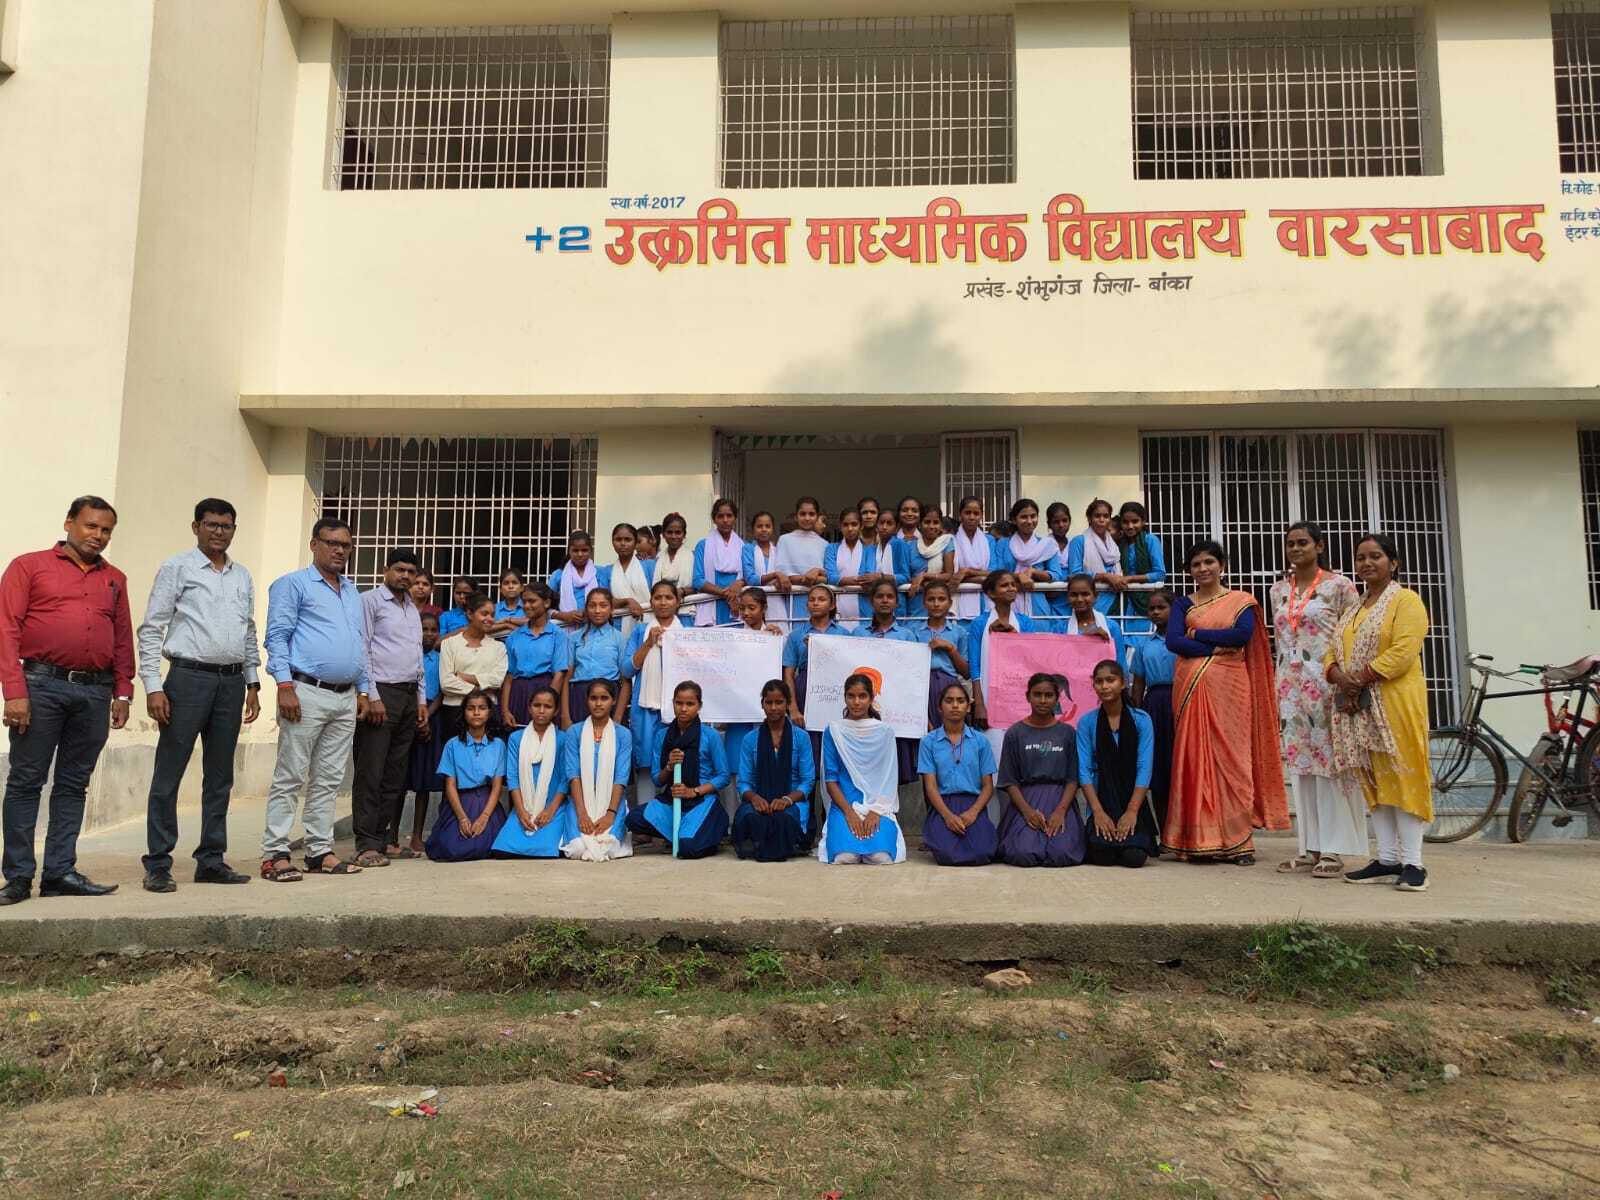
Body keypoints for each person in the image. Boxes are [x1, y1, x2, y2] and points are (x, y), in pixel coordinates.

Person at [0, 496, 133, 903]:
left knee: (74, 784)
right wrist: (14, 692)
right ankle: (18, 876)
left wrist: (123, 691)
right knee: (26, 781)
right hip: (41, 686)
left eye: (106, 530)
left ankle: (59, 872)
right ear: (69, 523)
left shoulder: (115, 579)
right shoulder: (29, 566)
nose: (98, 536)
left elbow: (122, 638)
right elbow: (6, 629)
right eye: (91, 526)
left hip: (94, 692)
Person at [136, 498, 260, 892]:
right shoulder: (178, 568)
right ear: (196, 527)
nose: (219, 532)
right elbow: (152, 628)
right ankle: (158, 863)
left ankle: (211, 860)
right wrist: (153, 686)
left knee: (220, 777)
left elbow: (248, 630)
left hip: (231, 682)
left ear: (234, 530)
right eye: (211, 524)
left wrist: (252, 682)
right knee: (169, 774)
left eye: (226, 526)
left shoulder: (242, 576)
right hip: (187, 679)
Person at [1163, 540, 1289, 865]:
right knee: (1195, 759)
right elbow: (1173, 641)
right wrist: (1217, 648)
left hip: (1232, 689)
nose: (1203, 569)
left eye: (1209, 562)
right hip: (1191, 688)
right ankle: (1199, 841)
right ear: (1189, 571)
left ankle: (1238, 842)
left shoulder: (1241, 602)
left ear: (1222, 565)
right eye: (1196, 564)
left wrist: (1197, 636)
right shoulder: (1183, 604)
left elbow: (1241, 636)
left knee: (1234, 760)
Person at [260, 517, 369, 881]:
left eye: (345, 545)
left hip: (344, 696)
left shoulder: (351, 591)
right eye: (331, 543)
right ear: (314, 545)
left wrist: (364, 690)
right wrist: (284, 685)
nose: (339, 550)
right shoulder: (293, 585)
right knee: (290, 775)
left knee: (329, 779)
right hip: (304, 691)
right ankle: (275, 853)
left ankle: (319, 851)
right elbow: (277, 637)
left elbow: (359, 644)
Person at [1328, 534, 1433, 893]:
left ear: (1394, 563)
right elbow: (1332, 652)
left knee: (1404, 777)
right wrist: (1339, 676)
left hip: (1395, 703)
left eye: (1375, 556)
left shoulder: (1406, 600)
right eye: (1361, 557)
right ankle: (1387, 859)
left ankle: (1414, 864)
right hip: (1358, 707)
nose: (1367, 563)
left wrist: (1359, 677)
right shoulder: (1354, 608)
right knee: (1373, 781)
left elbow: (1404, 650)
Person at [1271, 522, 1366, 879]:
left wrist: (1349, 682)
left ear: (1319, 546)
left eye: (1303, 542)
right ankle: (1309, 848)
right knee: (1301, 768)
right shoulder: (1278, 589)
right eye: (1290, 544)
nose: (1296, 549)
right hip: (1290, 687)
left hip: (1327, 684)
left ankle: (1333, 849)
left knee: (1330, 765)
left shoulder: (1340, 586)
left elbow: (1353, 635)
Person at [351, 549, 428, 869]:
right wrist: (369, 694)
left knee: (395, 773)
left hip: (408, 695)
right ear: (386, 570)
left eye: (411, 571)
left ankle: (384, 839)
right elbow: (363, 648)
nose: (405, 576)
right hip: (381, 693)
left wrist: (421, 700)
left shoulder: (411, 607)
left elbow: (417, 656)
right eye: (399, 569)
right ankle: (365, 844)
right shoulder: (370, 601)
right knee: (371, 770)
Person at [626, 681, 730, 857]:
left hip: (701, 799)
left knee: (688, 848)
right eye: (679, 703)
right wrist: (669, 766)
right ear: (672, 703)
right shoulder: (662, 735)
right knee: (633, 819)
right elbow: (657, 780)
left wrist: (693, 791)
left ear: (699, 706)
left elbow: (723, 776)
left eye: (690, 704)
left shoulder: (709, 735)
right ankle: (687, 833)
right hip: (672, 799)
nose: (683, 709)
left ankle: (694, 835)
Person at [996, 674, 1085, 867]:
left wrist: (1061, 811)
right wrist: (1027, 812)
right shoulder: (1015, 733)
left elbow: (1073, 778)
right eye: (1037, 695)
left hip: (1060, 800)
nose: (1043, 700)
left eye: (1049, 695)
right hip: (1026, 800)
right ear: (1028, 696)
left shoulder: (1068, 733)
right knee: (1023, 853)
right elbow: (1009, 780)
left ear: (1057, 698)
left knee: (1062, 854)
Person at [818, 673, 906, 864]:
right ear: (844, 698)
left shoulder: (885, 732)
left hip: (878, 805)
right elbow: (831, 780)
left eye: (862, 696)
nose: (856, 702)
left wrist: (876, 811)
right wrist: (849, 813)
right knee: (845, 857)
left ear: (872, 698)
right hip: (844, 804)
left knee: (881, 857)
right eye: (851, 696)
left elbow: (889, 779)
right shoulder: (834, 730)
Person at [1077, 659, 1158, 868]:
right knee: (1102, 856)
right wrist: (1098, 812)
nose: (1104, 686)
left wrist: (1131, 812)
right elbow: (1084, 771)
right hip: (1101, 800)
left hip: (1132, 800)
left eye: (1110, 680)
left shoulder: (1142, 720)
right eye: (1099, 681)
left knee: (1133, 857)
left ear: (1123, 683)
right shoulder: (1087, 722)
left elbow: (1144, 768)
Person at [624, 580, 695, 804]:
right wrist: (648, 644)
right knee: (646, 763)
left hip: (679, 710)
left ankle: (670, 814)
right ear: (651, 602)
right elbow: (626, 669)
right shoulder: (640, 631)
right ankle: (645, 815)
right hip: (646, 709)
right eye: (658, 597)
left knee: (676, 762)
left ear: (677, 602)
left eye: (668, 597)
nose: (663, 602)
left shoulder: (687, 632)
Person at [733, 679, 817, 861]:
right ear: (762, 704)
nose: (773, 707)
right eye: (768, 702)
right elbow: (744, 782)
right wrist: (755, 798)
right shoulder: (750, 739)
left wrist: (787, 799)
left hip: (792, 803)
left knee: (783, 820)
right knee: (750, 818)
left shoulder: (801, 737)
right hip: (760, 802)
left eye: (779, 702)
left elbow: (808, 780)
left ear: (787, 703)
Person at [918, 683, 998, 866]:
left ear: (968, 707)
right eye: (949, 701)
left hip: (973, 804)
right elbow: (930, 787)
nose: (955, 705)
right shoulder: (928, 742)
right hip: (942, 805)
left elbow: (987, 786)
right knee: (946, 854)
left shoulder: (980, 741)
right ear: (940, 707)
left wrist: (973, 812)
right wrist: (947, 816)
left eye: (961, 701)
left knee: (983, 852)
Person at [424, 690, 508, 862]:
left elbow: (497, 786)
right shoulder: (452, 745)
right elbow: (450, 786)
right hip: (460, 803)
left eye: (482, 708)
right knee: (451, 849)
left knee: (493, 845)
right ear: (463, 713)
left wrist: (484, 817)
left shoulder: (498, 745)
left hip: (486, 803)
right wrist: (462, 818)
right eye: (471, 708)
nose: (476, 713)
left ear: (489, 712)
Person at [490, 685, 571, 858]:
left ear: (556, 711)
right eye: (537, 705)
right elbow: (512, 777)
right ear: (529, 707)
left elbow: (565, 780)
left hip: (553, 807)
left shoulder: (563, 739)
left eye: (547, 706)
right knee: (503, 848)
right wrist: (520, 811)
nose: (541, 710)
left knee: (547, 848)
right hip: (523, 806)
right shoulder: (516, 738)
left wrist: (550, 811)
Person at [853, 577, 921, 781]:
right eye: (880, 596)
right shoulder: (858, 633)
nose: (885, 600)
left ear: (897, 602)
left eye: (890, 596)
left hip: (898, 708)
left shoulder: (907, 635)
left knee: (895, 765)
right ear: (871, 601)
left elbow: (914, 675)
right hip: (866, 707)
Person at [560, 679, 633, 861]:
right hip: (580, 803)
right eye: (593, 698)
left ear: (613, 701)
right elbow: (573, 775)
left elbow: (621, 777)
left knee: (609, 846)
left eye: (604, 698)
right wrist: (582, 814)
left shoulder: (623, 734)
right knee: (577, 848)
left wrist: (610, 814)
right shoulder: (574, 732)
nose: (598, 703)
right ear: (587, 700)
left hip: (611, 803)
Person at [967, 569, 1041, 745]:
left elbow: (1032, 662)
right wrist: (979, 704)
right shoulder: (979, 624)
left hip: (1019, 696)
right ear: (991, 593)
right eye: (1004, 585)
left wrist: (1014, 636)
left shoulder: (1025, 623)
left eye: (1013, 585)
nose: (1011, 588)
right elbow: (975, 668)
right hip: (988, 696)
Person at [1130, 589, 1177, 832]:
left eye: (1161, 607)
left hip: (1182, 701)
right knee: (1158, 769)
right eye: (1151, 609)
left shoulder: (1186, 639)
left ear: (1174, 609)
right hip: (1154, 706)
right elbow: (1138, 683)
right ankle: (1166, 833)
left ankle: (1187, 834)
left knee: (1181, 766)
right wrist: (1137, 715)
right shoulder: (1143, 645)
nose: (1155, 612)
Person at [500, 582, 571, 733]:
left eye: (532, 601)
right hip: (518, 694)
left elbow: (559, 674)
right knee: (518, 738)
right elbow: (509, 676)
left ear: (546, 603)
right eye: (524, 602)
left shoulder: (557, 635)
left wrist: (548, 703)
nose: (527, 606)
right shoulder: (514, 637)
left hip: (546, 689)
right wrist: (505, 710)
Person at [400, 611, 444, 855]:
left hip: (432, 717)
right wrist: (417, 715)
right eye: (424, 629)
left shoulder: (441, 659)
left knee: (423, 781)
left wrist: (427, 715)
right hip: (408, 714)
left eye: (433, 630)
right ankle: (390, 833)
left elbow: (443, 691)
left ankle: (417, 836)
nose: (428, 634)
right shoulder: (407, 655)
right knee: (400, 778)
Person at [439, 593, 508, 740]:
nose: (490, 619)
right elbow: (446, 683)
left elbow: (497, 680)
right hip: (455, 710)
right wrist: (480, 691)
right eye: (484, 614)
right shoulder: (449, 644)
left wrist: (464, 677)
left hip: (488, 711)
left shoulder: (498, 647)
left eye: (492, 615)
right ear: (470, 614)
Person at [566, 587, 628, 729]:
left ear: (611, 609)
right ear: (586, 609)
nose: (597, 610)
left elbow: (626, 681)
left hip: (609, 695)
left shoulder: (619, 638)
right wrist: (565, 715)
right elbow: (566, 678)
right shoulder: (574, 638)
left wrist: (618, 716)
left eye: (603, 605)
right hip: (579, 696)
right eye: (592, 606)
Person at [916, 580, 970, 729]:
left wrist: (950, 648)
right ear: (924, 603)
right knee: (925, 730)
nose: (936, 604)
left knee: (951, 729)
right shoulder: (915, 632)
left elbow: (966, 673)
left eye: (941, 599)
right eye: (931, 599)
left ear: (950, 603)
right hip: (923, 686)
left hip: (950, 685)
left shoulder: (959, 632)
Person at [995, 499, 1056, 618]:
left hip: (1038, 605)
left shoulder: (1047, 545)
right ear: (1014, 520)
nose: (1029, 521)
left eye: (1033, 516)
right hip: (1007, 604)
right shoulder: (1003, 544)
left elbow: (1056, 574)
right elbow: (997, 574)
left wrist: (1033, 572)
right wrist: (1018, 576)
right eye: (1024, 517)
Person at [773, 496, 829, 623]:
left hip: (818, 600)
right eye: (803, 514)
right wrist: (805, 579)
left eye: (811, 514)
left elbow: (827, 576)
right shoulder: (785, 540)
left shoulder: (824, 544)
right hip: (790, 598)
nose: (807, 518)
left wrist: (815, 574)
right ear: (796, 516)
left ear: (817, 516)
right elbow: (781, 573)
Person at [692, 498, 746, 627]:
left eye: (729, 516)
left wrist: (740, 583)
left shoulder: (743, 546)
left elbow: (749, 576)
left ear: (735, 518)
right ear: (714, 519)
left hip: (736, 605)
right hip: (713, 602)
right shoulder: (703, 545)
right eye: (720, 516)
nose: (725, 520)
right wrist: (725, 594)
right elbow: (697, 580)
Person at [1067, 498, 1124, 616]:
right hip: (1091, 601)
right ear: (1089, 518)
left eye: (1106, 516)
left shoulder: (1112, 544)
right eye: (1097, 516)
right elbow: (1074, 574)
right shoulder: (1079, 541)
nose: (1102, 520)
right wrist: (1105, 576)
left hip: (1116, 598)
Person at [823, 507, 878, 629]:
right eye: (845, 525)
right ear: (840, 526)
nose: (850, 528)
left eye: (854, 524)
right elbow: (830, 577)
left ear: (861, 526)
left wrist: (842, 580)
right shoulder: (831, 549)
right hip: (836, 610)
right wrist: (858, 579)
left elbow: (868, 577)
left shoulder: (870, 550)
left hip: (864, 611)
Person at [1118, 502, 1167, 632]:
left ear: (1143, 521)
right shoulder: (1120, 544)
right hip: (1125, 600)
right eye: (1125, 522)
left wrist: (1130, 579)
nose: (1130, 526)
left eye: (1135, 521)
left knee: (1143, 636)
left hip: (1146, 600)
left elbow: (1160, 574)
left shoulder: (1150, 540)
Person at [600, 522, 654, 643]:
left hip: (649, 625)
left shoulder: (650, 566)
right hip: (617, 628)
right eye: (618, 539)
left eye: (628, 540)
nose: (623, 543)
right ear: (612, 542)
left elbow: (658, 594)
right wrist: (627, 601)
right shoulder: (606, 571)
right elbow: (604, 601)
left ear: (635, 543)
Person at [1062, 573, 1128, 669]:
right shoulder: (1060, 628)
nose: (1079, 599)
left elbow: (1120, 664)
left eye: (1085, 594)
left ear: (1095, 596)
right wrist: (1086, 635)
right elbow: (1058, 661)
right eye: (1074, 595)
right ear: (1067, 597)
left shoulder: (1111, 627)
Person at [906, 502, 955, 618]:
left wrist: (925, 576)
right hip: (916, 602)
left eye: (936, 522)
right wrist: (918, 580)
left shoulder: (946, 543)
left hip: (938, 604)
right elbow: (907, 575)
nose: (932, 526)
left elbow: (949, 574)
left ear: (941, 525)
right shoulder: (910, 546)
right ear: (919, 524)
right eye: (927, 522)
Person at [951, 496, 995, 620]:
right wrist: (981, 578)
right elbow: (952, 577)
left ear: (981, 515)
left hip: (986, 600)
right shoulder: (951, 540)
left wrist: (966, 572)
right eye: (967, 513)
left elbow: (994, 573)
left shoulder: (989, 540)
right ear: (960, 514)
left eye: (976, 513)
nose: (971, 517)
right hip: (959, 601)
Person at [549, 531, 600, 628]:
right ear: (569, 551)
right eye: (575, 550)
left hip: (595, 628)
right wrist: (563, 616)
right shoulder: (558, 575)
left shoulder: (599, 573)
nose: (580, 554)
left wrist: (591, 611)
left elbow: (608, 601)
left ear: (591, 550)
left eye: (584, 550)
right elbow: (544, 605)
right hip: (564, 628)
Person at [653, 513, 693, 593]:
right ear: (663, 534)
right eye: (669, 532)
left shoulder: (692, 557)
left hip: (686, 600)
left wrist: (682, 591)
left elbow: (697, 588)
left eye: (678, 532)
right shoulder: (658, 557)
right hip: (661, 598)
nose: (673, 536)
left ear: (684, 534)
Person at [490, 568, 528, 637]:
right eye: (506, 583)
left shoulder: (529, 607)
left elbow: (534, 624)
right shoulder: (493, 609)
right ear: (500, 589)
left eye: (515, 583)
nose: (511, 586)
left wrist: (508, 620)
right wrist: (506, 625)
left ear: (522, 587)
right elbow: (485, 628)